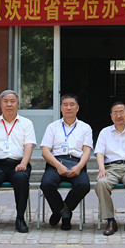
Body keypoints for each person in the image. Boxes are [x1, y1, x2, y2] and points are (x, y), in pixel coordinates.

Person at [0, 90, 36, 233]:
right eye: (6, 101)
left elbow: (29, 146)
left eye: (12, 101)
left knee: (21, 178)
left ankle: (20, 218)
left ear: (18, 104)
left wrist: (23, 163)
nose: (9, 104)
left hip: (18, 164)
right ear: (0, 104)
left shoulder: (26, 123)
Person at [39, 93, 93, 230]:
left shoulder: (85, 127)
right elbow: (45, 151)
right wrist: (58, 166)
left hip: (76, 162)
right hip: (56, 162)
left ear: (77, 108)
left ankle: (61, 211)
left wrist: (79, 167)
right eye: (65, 105)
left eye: (72, 105)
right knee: (46, 184)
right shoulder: (52, 127)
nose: (69, 108)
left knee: (84, 185)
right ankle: (64, 213)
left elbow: (87, 151)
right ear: (61, 108)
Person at [94, 102, 125, 236]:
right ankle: (110, 220)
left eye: (121, 112)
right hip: (110, 168)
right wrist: (101, 169)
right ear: (111, 116)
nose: (118, 115)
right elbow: (99, 153)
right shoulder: (104, 132)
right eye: (115, 113)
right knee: (101, 183)